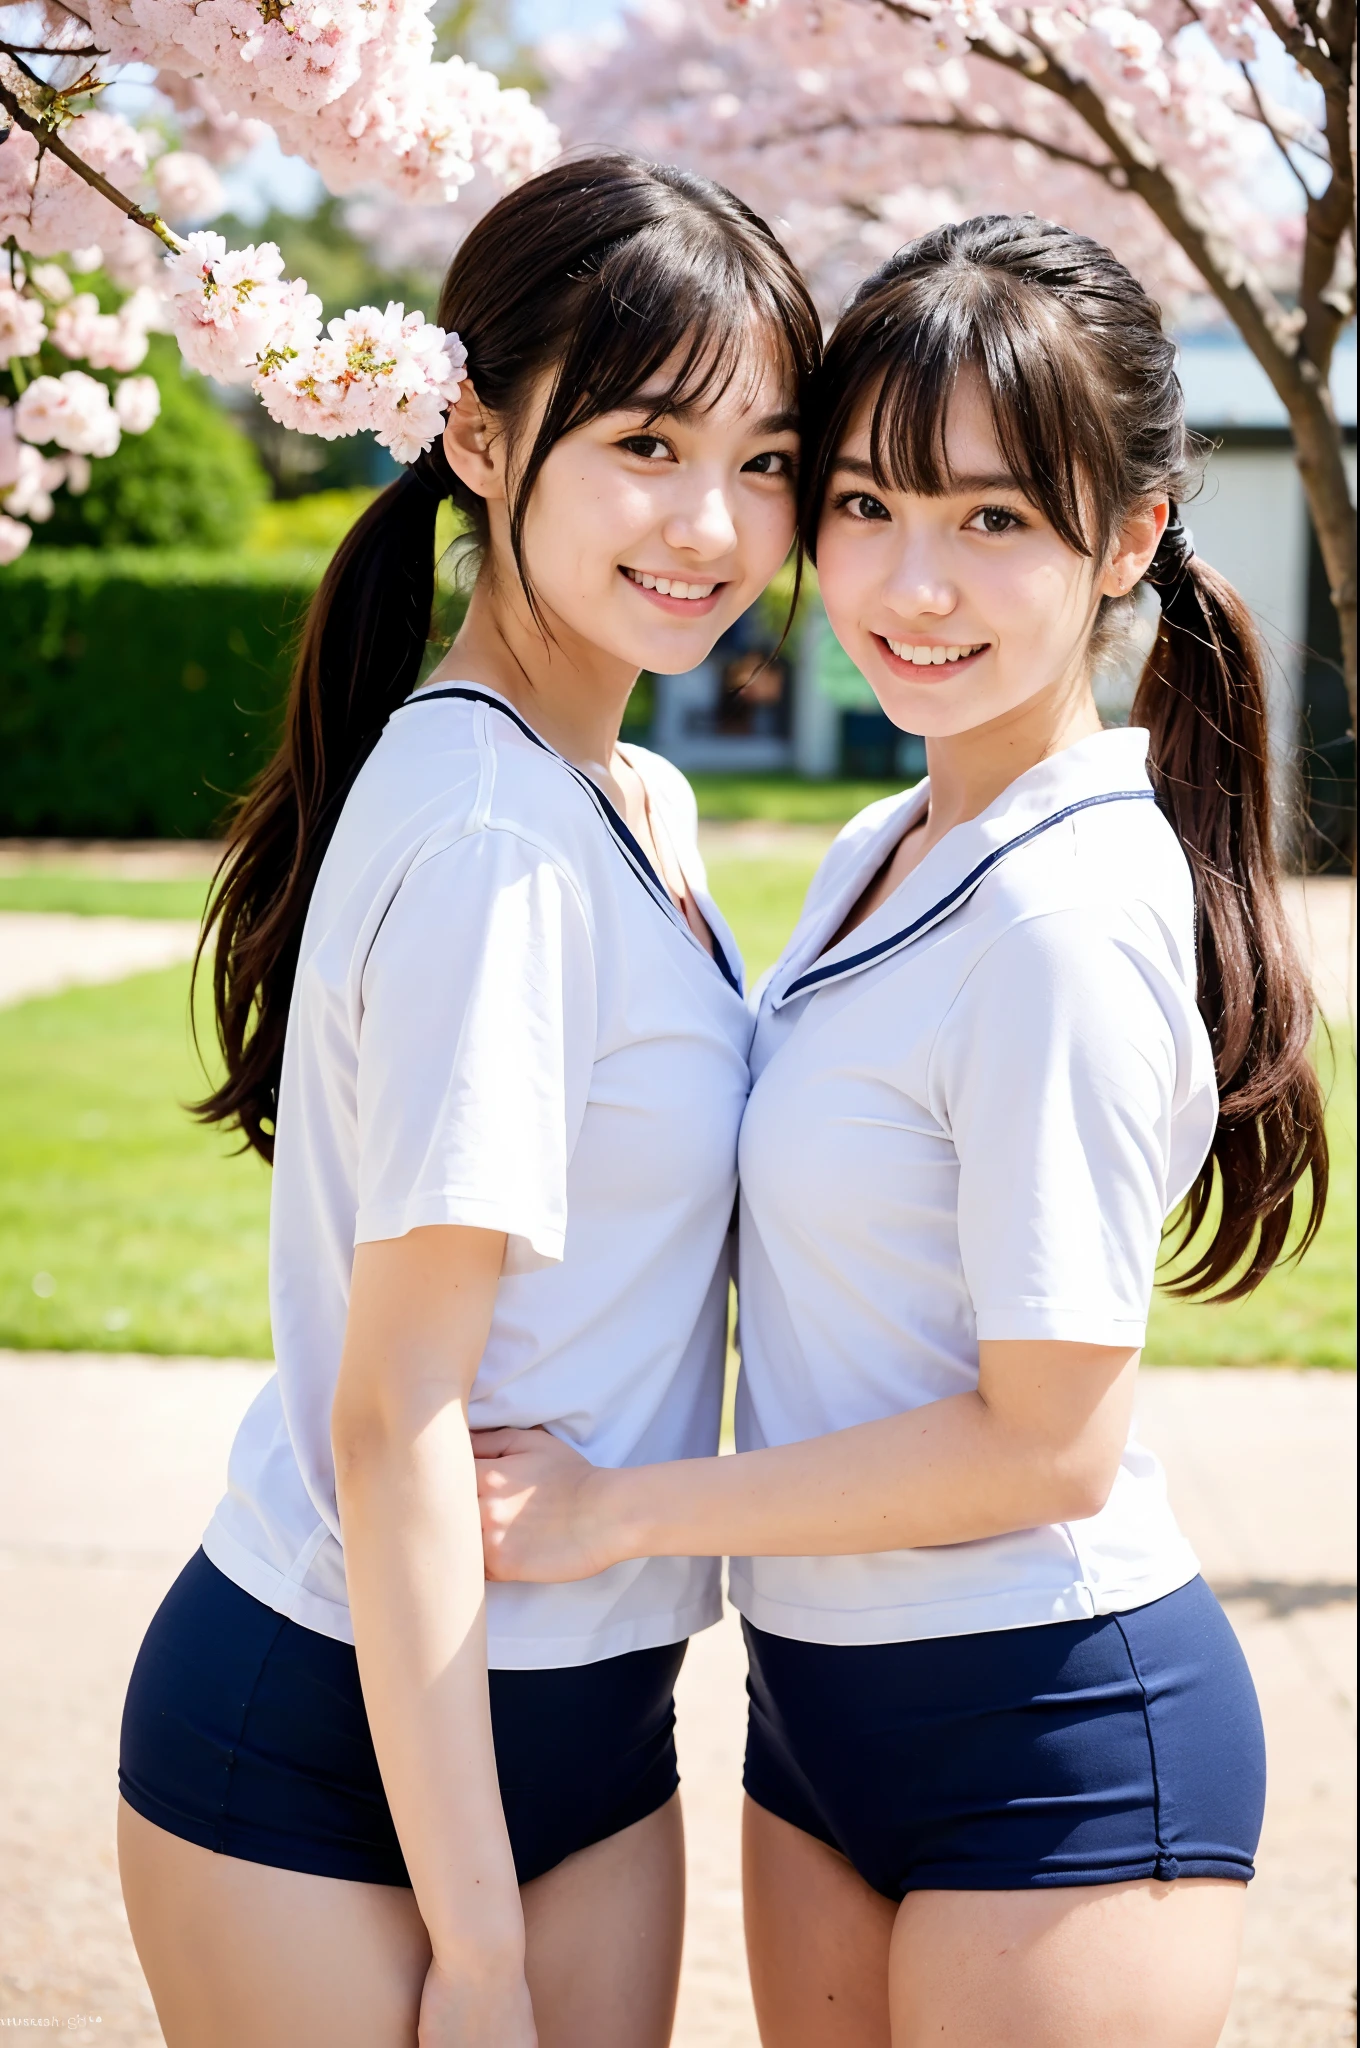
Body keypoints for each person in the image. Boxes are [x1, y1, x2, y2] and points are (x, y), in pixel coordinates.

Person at [475, 215, 1329, 2048]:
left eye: (994, 519)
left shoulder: (1065, 918)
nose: (911, 585)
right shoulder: (889, 847)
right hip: (823, 1707)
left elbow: (1047, 1450)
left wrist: (618, 1511)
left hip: (1052, 1732)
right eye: (865, 503)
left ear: (1130, 537)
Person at [115, 152, 819, 2048]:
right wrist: (482, 1953)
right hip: (344, 1737)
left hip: (591, 1707)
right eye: (648, 442)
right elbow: (399, 1408)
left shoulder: (631, 800)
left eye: (765, 461)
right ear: (485, 443)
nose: (714, 524)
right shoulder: (499, 833)